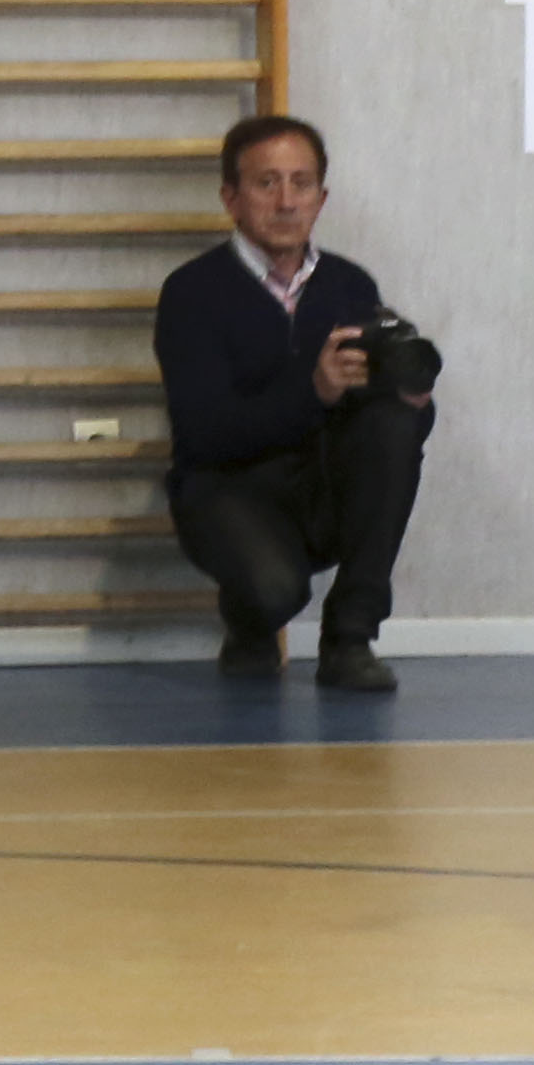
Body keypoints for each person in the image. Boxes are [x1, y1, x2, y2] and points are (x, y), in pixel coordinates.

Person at [155, 112, 433, 689]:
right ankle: (250, 623)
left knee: (394, 426)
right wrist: (314, 391)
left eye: (301, 183)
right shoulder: (191, 293)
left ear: (321, 198)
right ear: (231, 198)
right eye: (266, 183)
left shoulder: (350, 285)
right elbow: (204, 434)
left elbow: (382, 429)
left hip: (319, 488)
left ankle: (350, 639)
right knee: (274, 591)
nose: (286, 201)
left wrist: (411, 396)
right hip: (226, 491)